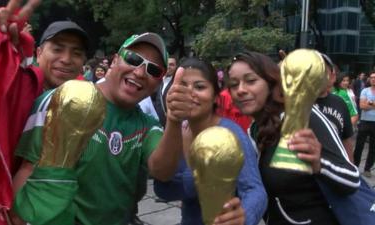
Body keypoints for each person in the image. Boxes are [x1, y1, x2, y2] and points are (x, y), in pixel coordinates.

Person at [11, 32, 191, 225]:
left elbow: (161, 171)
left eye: (153, 70)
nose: (139, 72)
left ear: (158, 82)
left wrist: (173, 120)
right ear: (114, 61)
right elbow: (27, 169)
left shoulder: (146, 125)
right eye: (133, 59)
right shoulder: (68, 100)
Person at [0, 0, 90, 223]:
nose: (66, 59)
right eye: (57, 49)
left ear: (83, 62)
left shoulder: (85, 103)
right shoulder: (21, 88)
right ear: (39, 52)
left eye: (76, 53)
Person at [226, 51, 359, 225]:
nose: (240, 90)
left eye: (251, 81)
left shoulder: (302, 116)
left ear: (271, 83)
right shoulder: (253, 130)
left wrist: (320, 164)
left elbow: (352, 180)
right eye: (233, 84)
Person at [154, 57, 267, 225]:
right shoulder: (175, 132)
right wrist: (202, 177)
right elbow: (162, 189)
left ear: (215, 96)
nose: (190, 92)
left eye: (199, 87)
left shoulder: (230, 134)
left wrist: (244, 216)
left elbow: (255, 190)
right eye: (183, 86)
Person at [314, 53, 355, 162]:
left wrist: (351, 167)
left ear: (332, 77)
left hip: (336, 167)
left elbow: (347, 140)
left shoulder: (339, 102)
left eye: (322, 71)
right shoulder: (297, 103)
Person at [353, 71, 375, 177]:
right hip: (365, 122)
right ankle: (355, 166)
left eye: (374, 77)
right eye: (371, 77)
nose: (373, 79)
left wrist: (370, 103)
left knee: (373, 147)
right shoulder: (365, 91)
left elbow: (366, 105)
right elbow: (362, 106)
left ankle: (367, 169)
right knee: (359, 145)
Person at [152, 56, 178, 127]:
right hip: (155, 124)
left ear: (176, 67)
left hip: (170, 125)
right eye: (167, 64)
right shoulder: (157, 81)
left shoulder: (178, 83)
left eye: (172, 65)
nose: (169, 66)